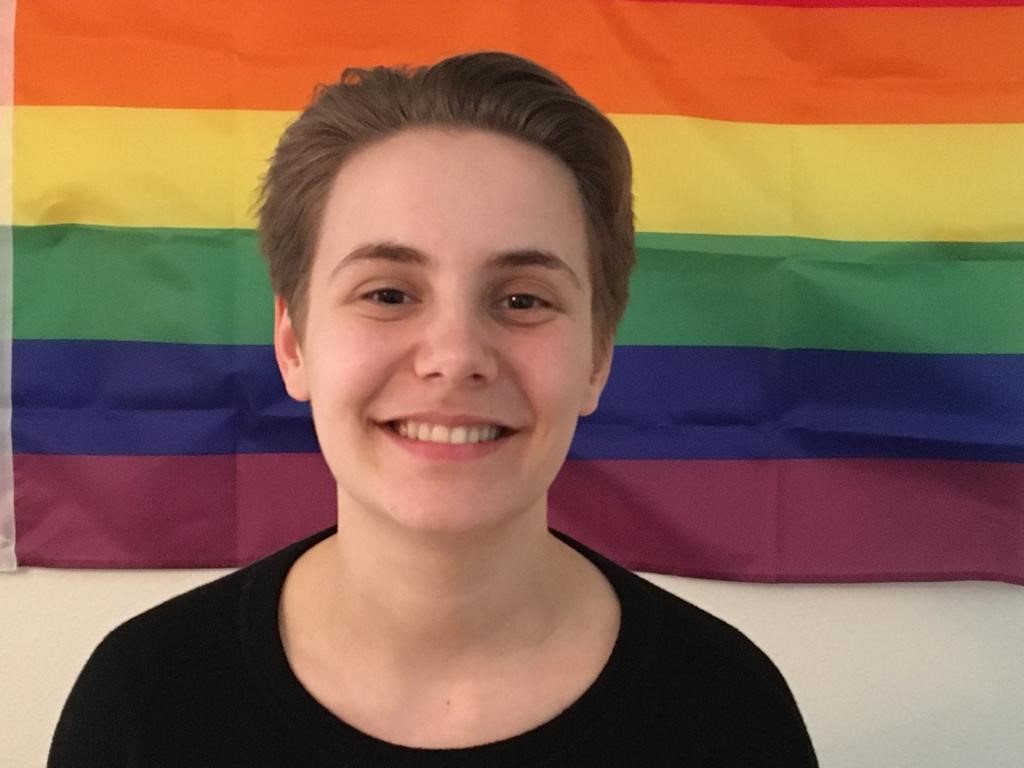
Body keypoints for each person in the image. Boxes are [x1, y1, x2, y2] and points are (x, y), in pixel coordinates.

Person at [49, 51, 817, 766]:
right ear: (292, 343)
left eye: (523, 300)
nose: (455, 356)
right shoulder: (144, 701)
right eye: (388, 293)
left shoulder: (729, 710)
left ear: (597, 356)